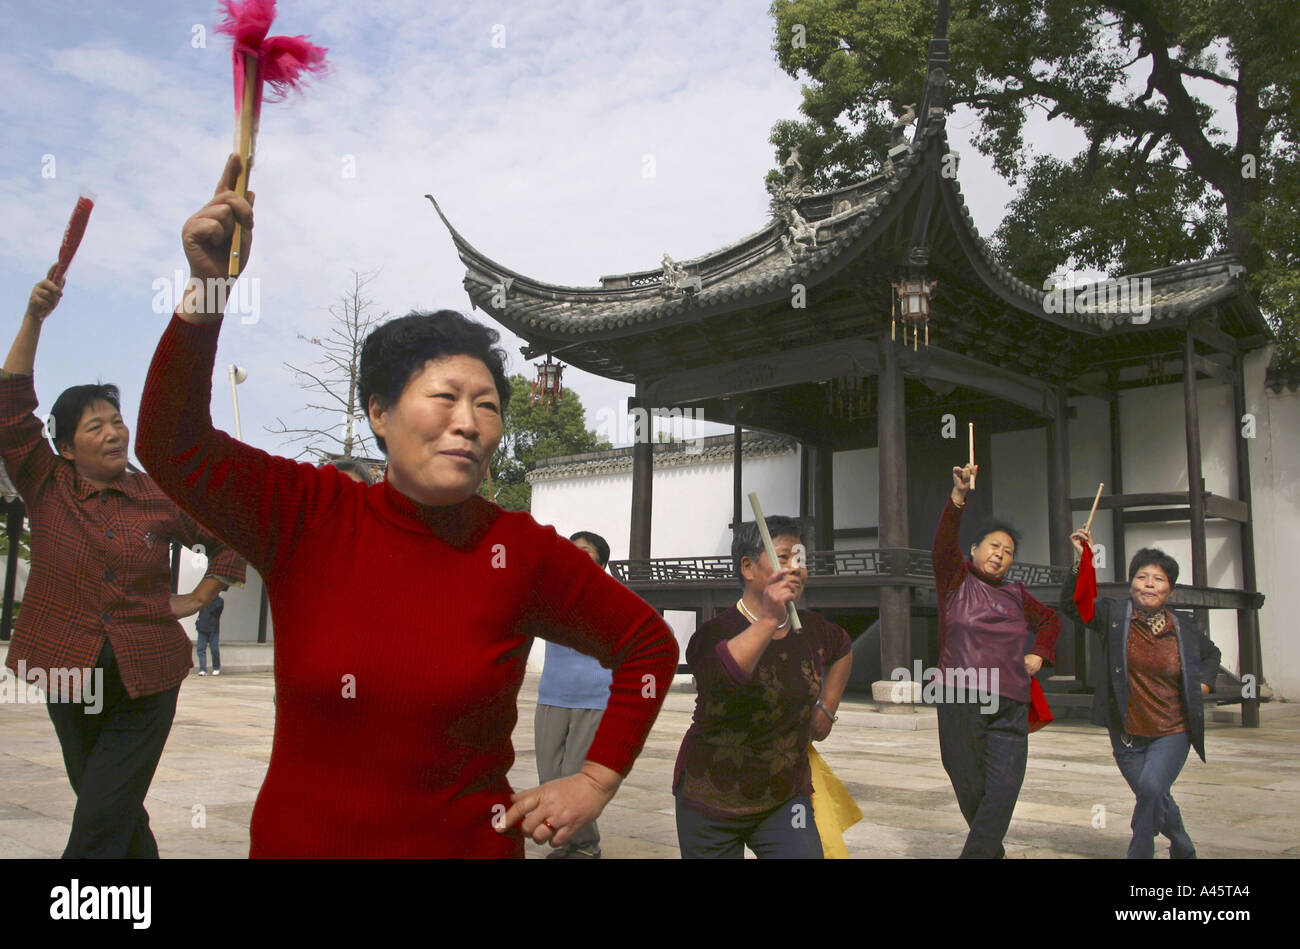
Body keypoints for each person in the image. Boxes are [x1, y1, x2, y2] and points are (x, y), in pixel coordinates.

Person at [134, 154, 679, 858]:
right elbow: (171, 444)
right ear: (379, 413)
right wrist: (206, 294)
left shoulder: (520, 550)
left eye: (487, 405)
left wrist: (596, 779)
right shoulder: (305, 514)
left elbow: (648, 646)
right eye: (445, 397)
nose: (469, 420)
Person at [1, 268, 246, 858]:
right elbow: (10, 403)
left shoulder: (159, 495)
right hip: (67, 671)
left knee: (102, 811)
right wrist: (35, 317)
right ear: (65, 446)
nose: (114, 432)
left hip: (147, 678)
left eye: (116, 421)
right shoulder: (45, 482)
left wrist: (198, 595)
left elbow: (229, 540)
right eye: (96, 426)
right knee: (105, 803)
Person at [673, 515, 852, 858]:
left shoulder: (813, 628)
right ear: (748, 567)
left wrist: (827, 708)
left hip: (785, 797)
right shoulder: (713, 633)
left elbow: (843, 649)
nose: (796, 566)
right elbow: (723, 680)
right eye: (784, 557)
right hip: (710, 797)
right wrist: (770, 618)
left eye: (801, 558)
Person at [1059, 529, 1220, 859]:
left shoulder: (1184, 628)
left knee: (1150, 788)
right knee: (1156, 794)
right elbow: (1074, 606)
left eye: (1158, 579)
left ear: (1169, 589)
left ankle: (1140, 851)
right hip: (1128, 733)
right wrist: (1079, 561)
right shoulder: (1114, 617)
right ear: (1131, 583)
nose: (1149, 583)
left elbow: (1211, 654)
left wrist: (1204, 683)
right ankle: (1183, 845)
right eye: (1142, 576)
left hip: (1172, 730)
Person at [933, 461, 1060, 858]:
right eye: (993, 546)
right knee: (969, 783)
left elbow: (1051, 620)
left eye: (1008, 552)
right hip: (960, 698)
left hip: (1009, 701)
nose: (1000, 555)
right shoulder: (955, 580)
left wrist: (1040, 652)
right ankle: (991, 851)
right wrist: (958, 497)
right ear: (974, 549)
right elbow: (942, 544)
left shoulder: (1017, 593)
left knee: (1004, 788)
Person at [534, 530, 614, 859]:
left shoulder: (611, 596)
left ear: (601, 561)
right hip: (552, 696)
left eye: (585, 552)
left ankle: (585, 846)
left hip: (592, 699)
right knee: (549, 775)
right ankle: (566, 841)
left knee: (575, 776)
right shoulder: (552, 594)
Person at [195, 593, 224, 676]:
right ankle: (202, 669)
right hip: (202, 627)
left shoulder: (219, 601)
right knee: (201, 649)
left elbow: (214, 610)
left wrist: (207, 600)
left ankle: (216, 667)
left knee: (214, 649)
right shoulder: (204, 599)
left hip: (213, 628)